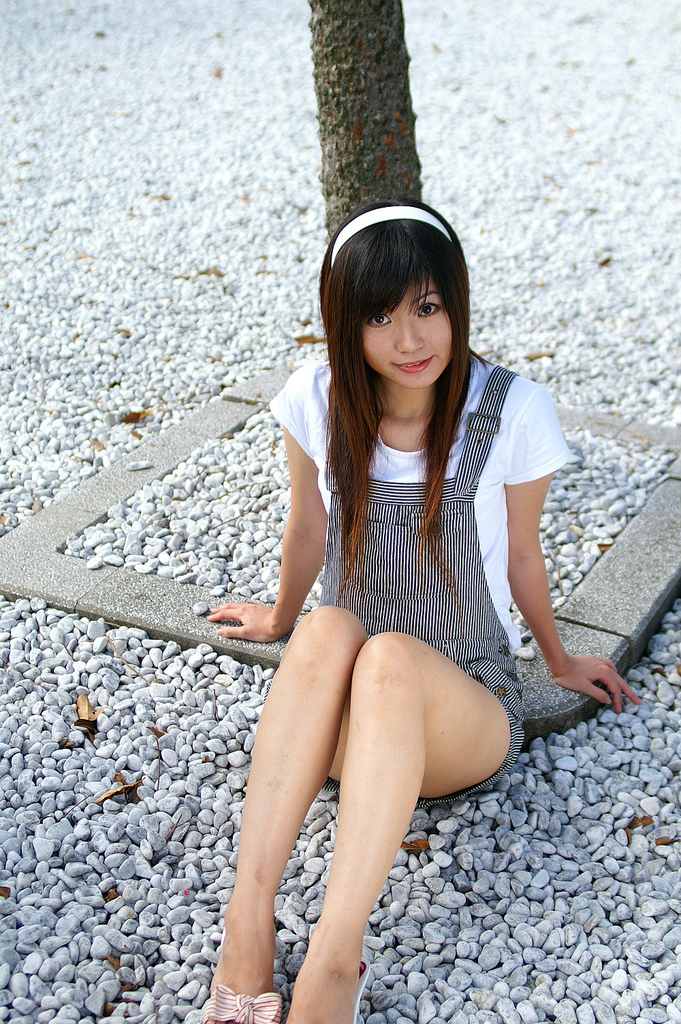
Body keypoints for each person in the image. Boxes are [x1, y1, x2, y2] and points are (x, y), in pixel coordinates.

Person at [203, 200, 641, 1024]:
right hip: (343, 721)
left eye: (427, 308)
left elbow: (522, 557)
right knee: (332, 627)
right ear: (345, 322)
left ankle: (334, 960)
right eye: (379, 317)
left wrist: (556, 661)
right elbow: (307, 529)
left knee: (390, 656)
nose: (409, 340)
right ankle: (246, 923)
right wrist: (279, 618)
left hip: (458, 713)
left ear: (455, 303)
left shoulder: (510, 409)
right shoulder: (316, 397)